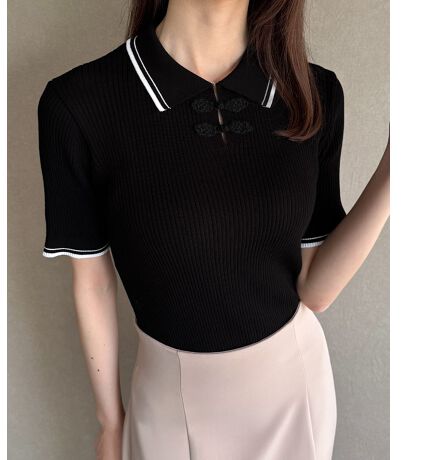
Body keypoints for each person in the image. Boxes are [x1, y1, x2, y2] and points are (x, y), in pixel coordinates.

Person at [37, 0, 390, 459]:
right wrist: (111, 421)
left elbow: (315, 289)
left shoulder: (314, 92)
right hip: (168, 399)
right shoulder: (78, 104)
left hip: (294, 392)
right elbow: (93, 281)